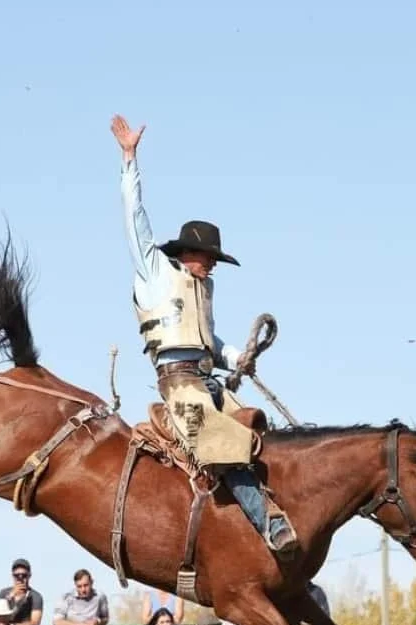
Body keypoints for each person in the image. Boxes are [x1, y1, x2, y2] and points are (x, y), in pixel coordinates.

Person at [111, 113, 298, 559]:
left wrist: (237, 358)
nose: (212, 265)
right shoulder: (155, 272)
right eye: (208, 257)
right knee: (220, 445)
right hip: (179, 384)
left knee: (258, 434)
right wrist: (129, 159)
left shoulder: (202, 288)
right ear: (188, 254)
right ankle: (270, 526)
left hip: (207, 377)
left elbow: (209, 344)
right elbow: (135, 221)